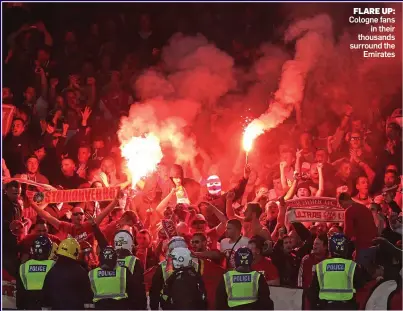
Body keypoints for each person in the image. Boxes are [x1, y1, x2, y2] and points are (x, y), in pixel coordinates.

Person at [308, 233, 366, 310]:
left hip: (325, 307)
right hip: (347, 307)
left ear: (330, 248)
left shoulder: (321, 266)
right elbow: (361, 286)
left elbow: (313, 292)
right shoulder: (352, 265)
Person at [42, 237, 93, 309]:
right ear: (75, 252)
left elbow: (46, 298)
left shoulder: (52, 272)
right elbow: (88, 298)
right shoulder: (80, 272)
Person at [339, 192, 378, 269]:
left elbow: (347, 233)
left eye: (341, 205)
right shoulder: (365, 208)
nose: (342, 207)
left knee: (362, 275)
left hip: (362, 248)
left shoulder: (349, 211)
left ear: (343, 201)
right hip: (374, 247)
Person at [16, 236, 55, 310]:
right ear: (49, 249)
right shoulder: (53, 265)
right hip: (48, 305)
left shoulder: (24, 266)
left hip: (29, 305)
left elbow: (20, 290)